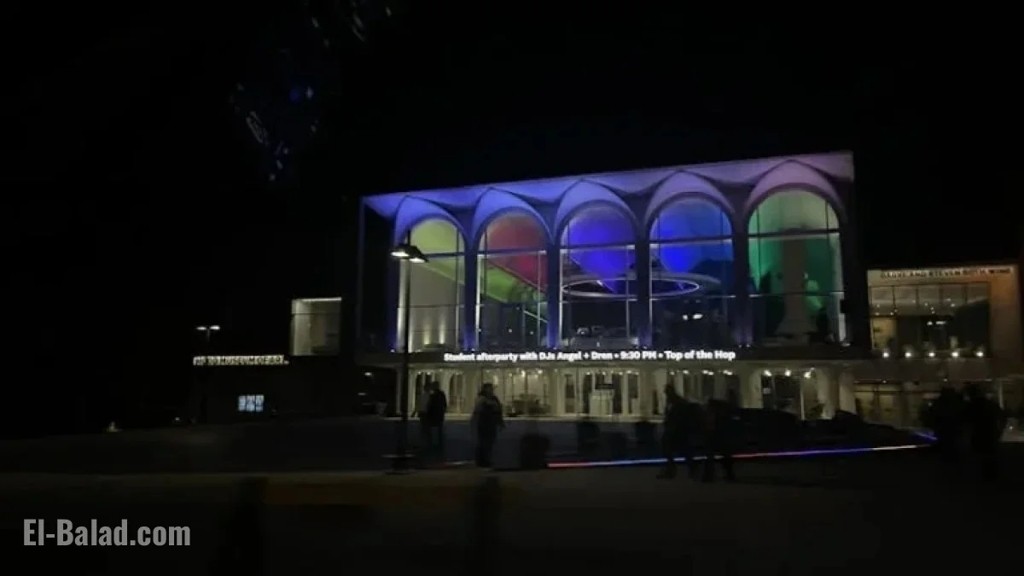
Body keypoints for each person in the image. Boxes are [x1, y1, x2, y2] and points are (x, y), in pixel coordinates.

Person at [964, 384, 1005, 480]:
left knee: (980, 457)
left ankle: (983, 476)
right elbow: (1002, 417)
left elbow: (966, 421)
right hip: (990, 433)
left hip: (978, 434)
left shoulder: (971, 407)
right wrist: (999, 431)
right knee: (990, 456)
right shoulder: (991, 405)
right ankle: (991, 475)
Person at [658, 385, 698, 479]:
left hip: (678, 430)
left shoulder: (678, 403)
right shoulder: (673, 402)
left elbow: (679, 417)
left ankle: (674, 469)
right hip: (674, 430)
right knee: (679, 450)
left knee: (679, 450)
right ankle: (675, 469)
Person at [702, 390, 738, 482]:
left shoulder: (715, 410)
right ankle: (727, 474)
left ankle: (710, 474)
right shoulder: (723, 409)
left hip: (715, 433)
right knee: (723, 454)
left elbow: (710, 422)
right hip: (719, 434)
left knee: (712, 454)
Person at [471, 383, 505, 469]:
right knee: (483, 442)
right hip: (484, 423)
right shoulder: (482, 399)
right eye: (489, 388)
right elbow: (477, 411)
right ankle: (482, 461)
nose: (491, 390)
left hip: (491, 424)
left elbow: (498, 411)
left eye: (491, 388)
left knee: (489, 443)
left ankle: (486, 460)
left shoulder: (493, 399)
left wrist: (500, 422)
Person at [424, 380, 448, 459]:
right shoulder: (441, 394)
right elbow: (444, 404)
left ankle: (431, 444)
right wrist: (443, 411)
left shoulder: (433, 395)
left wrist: (427, 413)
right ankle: (439, 444)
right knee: (439, 430)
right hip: (439, 415)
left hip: (433, 415)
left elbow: (430, 405)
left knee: (430, 430)